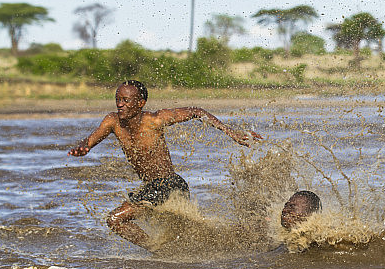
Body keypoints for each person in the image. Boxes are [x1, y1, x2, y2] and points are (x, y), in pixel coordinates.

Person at [68, 80, 260, 251]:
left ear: (140, 103)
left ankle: (157, 251)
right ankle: (242, 236)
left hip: (169, 185)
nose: (120, 104)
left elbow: (196, 112)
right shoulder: (113, 122)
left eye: (126, 100)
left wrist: (231, 132)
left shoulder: (155, 120)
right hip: (154, 188)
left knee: (115, 219)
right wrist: (83, 147)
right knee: (190, 235)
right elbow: (90, 140)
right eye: (118, 99)